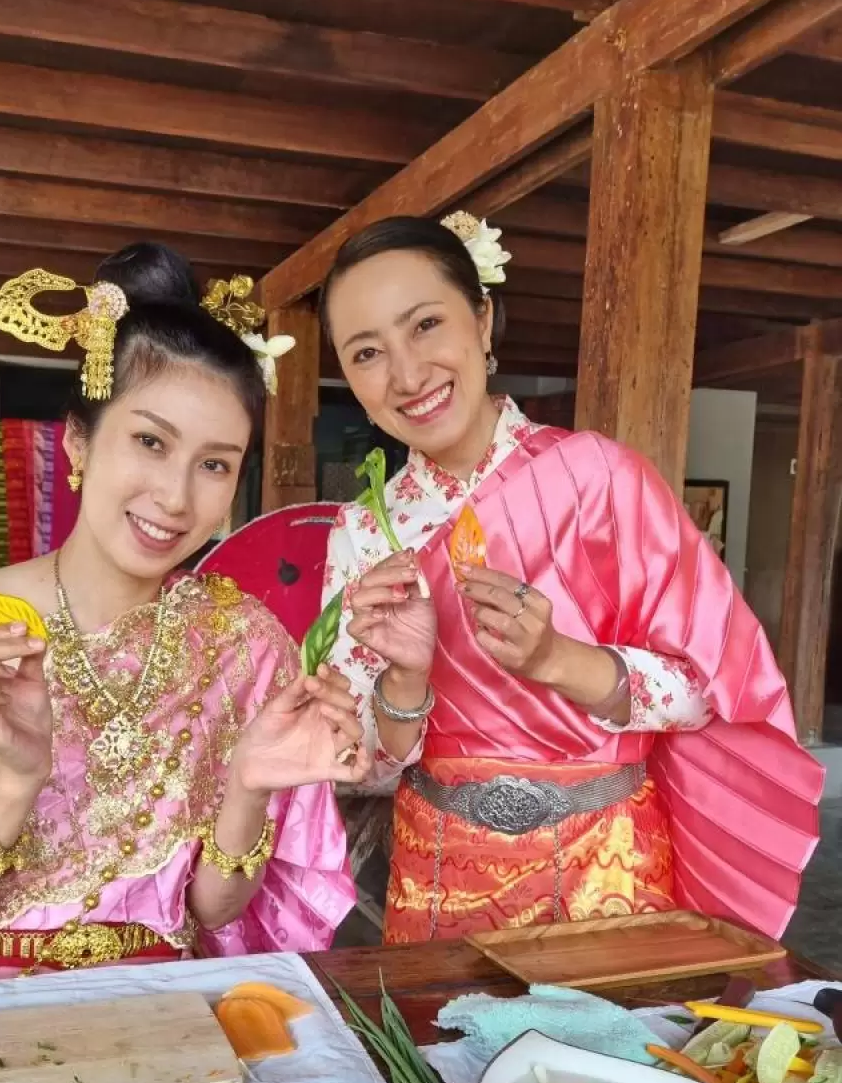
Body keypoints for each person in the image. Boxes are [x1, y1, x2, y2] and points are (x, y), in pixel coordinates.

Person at [0, 247, 367, 985]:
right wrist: (15, 780)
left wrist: (249, 792)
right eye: (150, 441)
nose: (174, 496)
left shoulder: (244, 640)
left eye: (215, 463)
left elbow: (215, 912)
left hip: (164, 1022)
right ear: (77, 441)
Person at [319, 213, 822, 943]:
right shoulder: (367, 533)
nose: (406, 374)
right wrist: (404, 683)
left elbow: (710, 691)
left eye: (425, 324)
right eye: (367, 352)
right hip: (439, 878)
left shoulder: (602, 480)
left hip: (607, 872)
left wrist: (560, 661)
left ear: (483, 320)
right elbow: (355, 767)